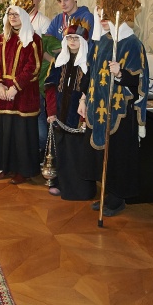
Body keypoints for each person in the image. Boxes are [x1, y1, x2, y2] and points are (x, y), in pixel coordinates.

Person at [79, 3, 149, 215]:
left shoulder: (132, 44)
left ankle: (118, 198)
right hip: (97, 106)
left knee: (119, 155)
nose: (102, 18)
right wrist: (83, 99)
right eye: (99, 14)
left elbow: (139, 81)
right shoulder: (102, 42)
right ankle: (107, 194)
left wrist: (120, 74)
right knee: (101, 155)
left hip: (119, 110)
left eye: (106, 15)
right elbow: (90, 73)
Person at [0, 0, 42, 185]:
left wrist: (16, 87)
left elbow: (33, 67)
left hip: (24, 95)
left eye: (16, 14)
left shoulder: (34, 40)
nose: (12, 17)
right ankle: (7, 166)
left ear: (25, 17)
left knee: (21, 133)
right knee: (5, 131)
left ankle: (24, 170)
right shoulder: (2, 38)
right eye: (10, 14)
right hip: (3, 93)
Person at [44, 18, 94, 199]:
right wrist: (51, 112)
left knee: (78, 153)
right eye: (70, 38)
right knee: (62, 151)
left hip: (79, 115)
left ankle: (80, 190)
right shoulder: (60, 60)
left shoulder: (89, 62)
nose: (72, 42)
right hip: (60, 114)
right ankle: (62, 185)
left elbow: (91, 88)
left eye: (76, 39)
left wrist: (84, 103)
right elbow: (50, 86)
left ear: (83, 42)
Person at [21, 0, 53, 162]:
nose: (29, 0)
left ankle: (40, 154)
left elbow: (48, 55)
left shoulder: (44, 22)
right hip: (18, 82)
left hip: (37, 82)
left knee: (40, 123)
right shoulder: (15, 20)